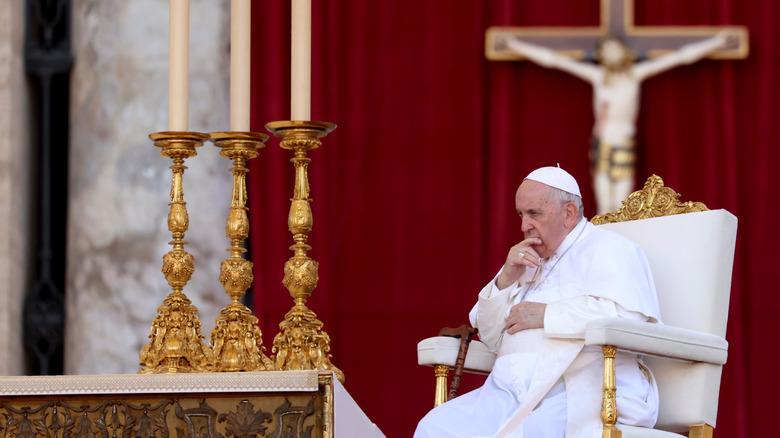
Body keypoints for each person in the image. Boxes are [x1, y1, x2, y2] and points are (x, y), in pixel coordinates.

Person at [414, 166, 662, 438]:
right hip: (506, 394)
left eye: (534, 214)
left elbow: (628, 319)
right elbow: (489, 334)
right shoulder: (525, 259)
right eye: (521, 214)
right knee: (435, 427)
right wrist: (505, 279)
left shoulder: (610, 248)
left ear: (568, 213)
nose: (523, 226)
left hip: (576, 388)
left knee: (530, 432)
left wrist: (546, 314)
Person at [505, 33, 729, 214]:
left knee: (622, 203)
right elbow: (555, 61)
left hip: (623, 141)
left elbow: (679, 58)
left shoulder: (635, 74)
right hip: (603, 142)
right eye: (606, 50)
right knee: (604, 204)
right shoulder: (597, 76)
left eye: (615, 49)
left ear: (624, 52)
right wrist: (517, 46)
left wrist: (715, 43)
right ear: (601, 55)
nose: (611, 53)